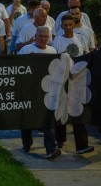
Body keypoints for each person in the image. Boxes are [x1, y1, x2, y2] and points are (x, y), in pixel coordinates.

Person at [52, 14, 94, 154]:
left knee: (79, 112)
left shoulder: (81, 39)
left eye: (70, 25)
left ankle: (82, 145)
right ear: (62, 26)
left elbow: (88, 57)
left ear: (74, 25)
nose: (68, 28)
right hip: (62, 82)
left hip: (78, 81)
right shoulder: (57, 41)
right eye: (65, 25)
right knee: (61, 112)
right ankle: (60, 141)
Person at [18, 26, 61, 160]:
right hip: (29, 90)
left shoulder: (53, 50)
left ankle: (50, 149)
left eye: (45, 37)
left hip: (47, 91)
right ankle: (26, 143)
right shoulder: (26, 49)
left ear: (48, 38)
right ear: (35, 37)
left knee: (48, 120)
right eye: (40, 36)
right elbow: (19, 68)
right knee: (28, 119)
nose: (43, 39)